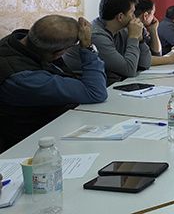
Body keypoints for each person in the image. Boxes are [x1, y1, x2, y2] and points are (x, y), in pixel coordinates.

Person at [0, 15, 107, 151]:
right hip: (28, 144)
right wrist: (87, 47)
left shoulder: (18, 42)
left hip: (50, 125)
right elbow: (95, 93)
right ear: (58, 53)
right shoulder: (23, 78)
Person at [64, 0, 152, 85]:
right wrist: (133, 37)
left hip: (109, 83)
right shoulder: (96, 36)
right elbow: (129, 70)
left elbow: (145, 64)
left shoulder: (122, 30)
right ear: (120, 17)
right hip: (84, 86)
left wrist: (140, 40)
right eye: (132, 13)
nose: (135, 18)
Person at [134, 0, 174, 66]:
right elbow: (142, 60)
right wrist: (171, 59)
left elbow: (157, 54)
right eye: (153, 14)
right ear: (145, 16)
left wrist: (153, 31)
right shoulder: (131, 30)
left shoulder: (143, 29)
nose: (154, 17)